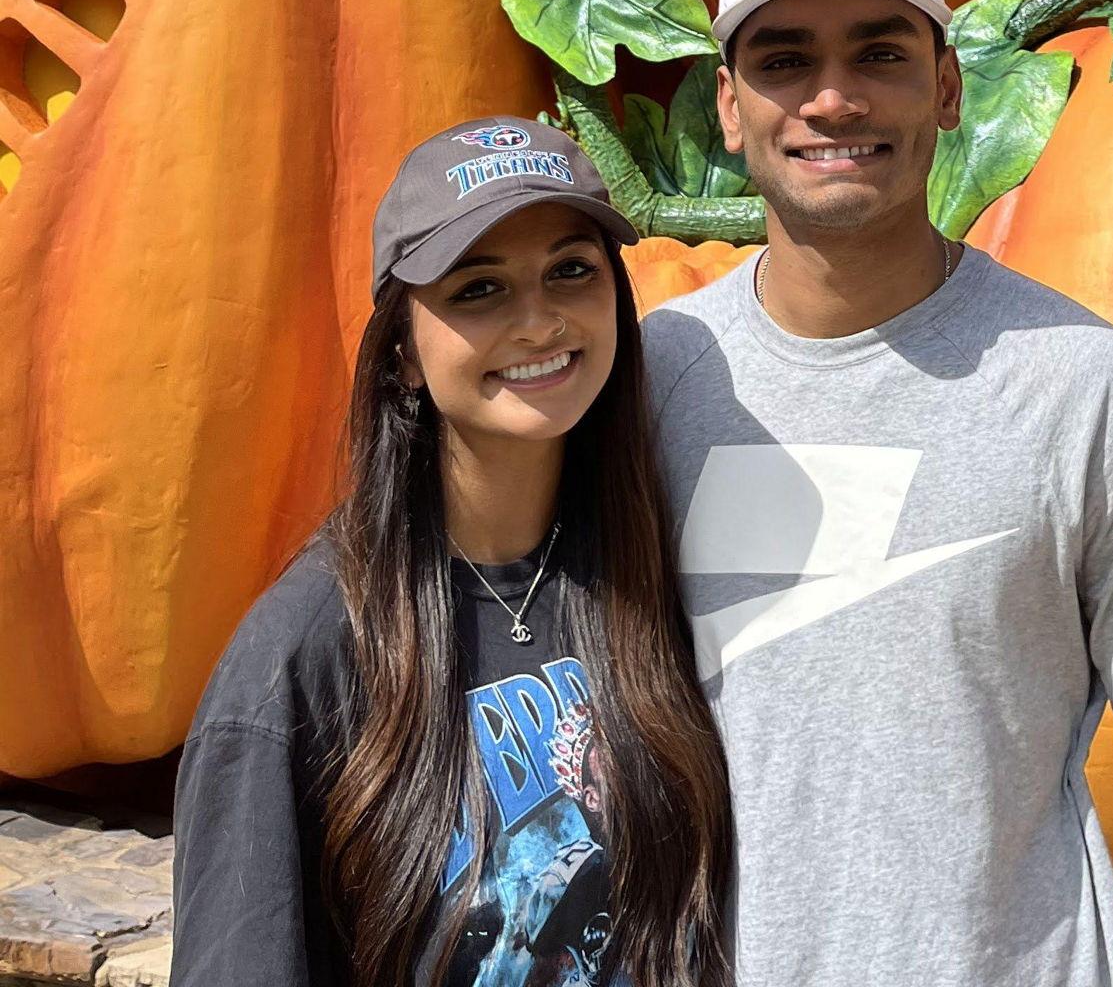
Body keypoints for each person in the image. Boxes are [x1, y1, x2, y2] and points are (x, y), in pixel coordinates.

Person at [644, 0, 1113, 987]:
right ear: (729, 106)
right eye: (783, 60)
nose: (832, 100)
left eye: (878, 54)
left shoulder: (1082, 385)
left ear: (944, 87)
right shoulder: (652, 380)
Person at [170, 120, 731, 987]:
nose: (540, 320)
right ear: (401, 349)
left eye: (571, 271)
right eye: (479, 289)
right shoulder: (304, 657)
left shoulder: (651, 579)